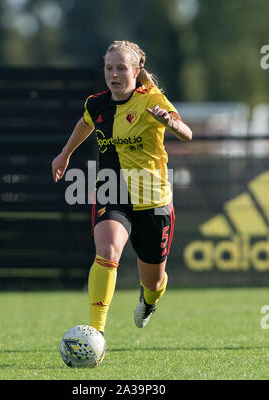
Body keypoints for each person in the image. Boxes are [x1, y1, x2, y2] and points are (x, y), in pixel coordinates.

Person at [51, 40, 192, 336]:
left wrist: (169, 123)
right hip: (112, 190)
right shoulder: (96, 103)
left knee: (153, 283)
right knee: (107, 249)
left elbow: (187, 133)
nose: (114, 74)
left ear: (136, 70)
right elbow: (85, 123)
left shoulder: (152, 99)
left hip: (154, 199)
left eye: (121, 68)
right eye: (109, 68)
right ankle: (96, 331)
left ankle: (149, 300)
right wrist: (65, 154)